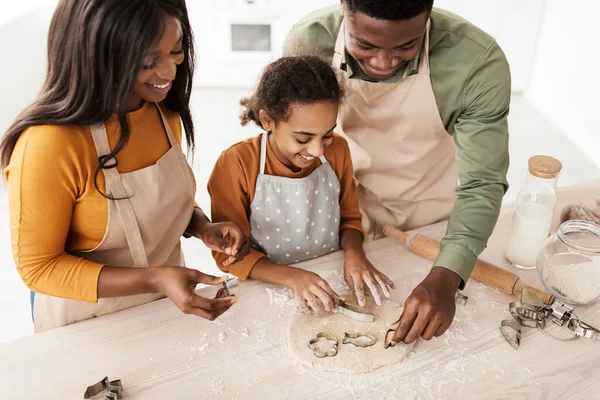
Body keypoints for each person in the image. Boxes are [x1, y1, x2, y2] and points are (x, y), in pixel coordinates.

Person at [1, 0, 250, 333]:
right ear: (97, 56)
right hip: (88, 324)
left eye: (176, 51)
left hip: (166, 306)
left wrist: (201, 225)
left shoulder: (162, 111)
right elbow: (39, 269)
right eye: (149, 61)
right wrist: (155, 278)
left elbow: (154, 202)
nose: (169, 73)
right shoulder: (50, 143)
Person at [284, 0, 510, 343]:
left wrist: (447, 276)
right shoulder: (310, 41)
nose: (383, 62)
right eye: (365, 45)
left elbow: (482, 183)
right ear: (344, 6)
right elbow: (291, 140)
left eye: (406, 46)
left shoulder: (476, 63)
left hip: (427, 217)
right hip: (342, 209)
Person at [208, 56, 395, 313]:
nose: (318, 150)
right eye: (303, 138)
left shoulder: (338, 149)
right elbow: (227, 255)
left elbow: (350, 219)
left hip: (331, 272)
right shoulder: (237, 163)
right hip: (268, 284)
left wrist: (355, 254)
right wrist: (294, 277)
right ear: (267, 121)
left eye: (327, 135)